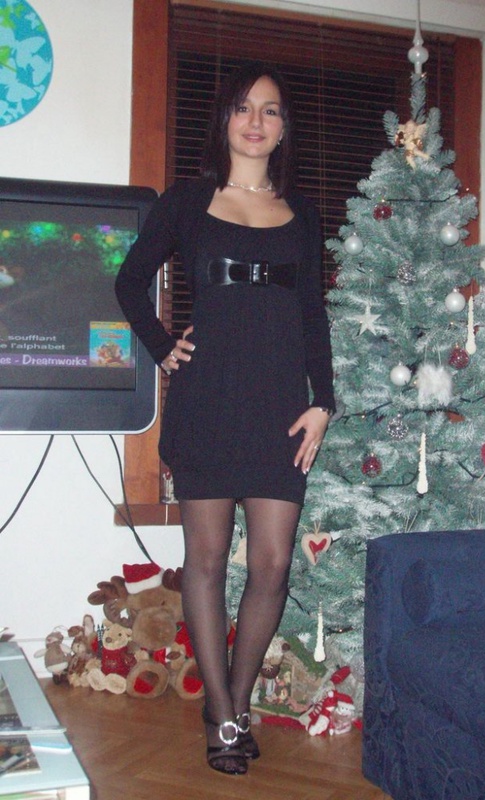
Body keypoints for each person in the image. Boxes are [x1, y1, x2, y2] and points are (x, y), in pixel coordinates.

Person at [115, 62, 335, 776]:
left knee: (271, 564)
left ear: (284, 127)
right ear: (225, 119)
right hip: (207, 400)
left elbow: (312, 314)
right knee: (206, 561)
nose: (255, 121)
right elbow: (128, 280)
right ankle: (224, 716)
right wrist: (162, 346)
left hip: (280, 408)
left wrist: (323, 401)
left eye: (269, 110)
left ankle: (232, 703)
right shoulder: (187, 200)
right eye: (243, 107)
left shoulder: (303, 213)